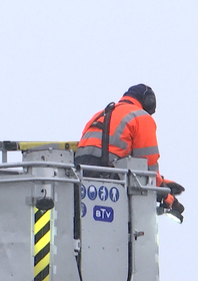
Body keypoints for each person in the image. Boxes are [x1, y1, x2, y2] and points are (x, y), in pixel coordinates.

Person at [76, 84, 185, 220]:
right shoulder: (141, 117)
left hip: (78, 181)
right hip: (106, 184)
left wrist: (163, 182)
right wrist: (166, 196)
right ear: (148, 102)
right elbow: (147, 167)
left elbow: (105, 152)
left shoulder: (99, 115)